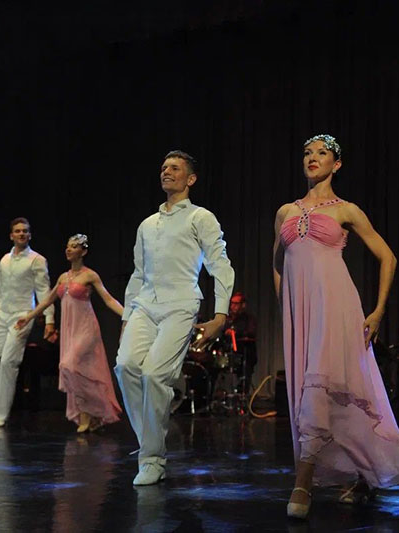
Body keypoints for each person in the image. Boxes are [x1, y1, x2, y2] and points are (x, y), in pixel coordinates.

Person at [273, 134, 399, 519]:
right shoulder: (285, 212)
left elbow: (388, 257)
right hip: (301, 314)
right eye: (307, 152)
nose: (312, 158)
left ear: (336, 164)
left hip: (336, 307)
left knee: (321, 390)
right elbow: (277, 263)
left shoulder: (346, 210)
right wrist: (285, 304)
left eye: (322, 153)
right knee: (324, 394)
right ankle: (363, 475)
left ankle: (303, 482)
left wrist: (378, 311)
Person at [116, 150, 234, 486]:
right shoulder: (147, 225)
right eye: (164, 167)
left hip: (181, 304)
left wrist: (220, 314)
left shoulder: (200, 217)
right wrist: (126, 317)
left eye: (175, 168)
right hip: (145, 304)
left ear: (190, 179)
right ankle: (149, 444)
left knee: (155, 375)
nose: (166, 171)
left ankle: (152, 458)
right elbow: (138, 274)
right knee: (125, 366)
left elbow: (220, 265)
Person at [16, 233, 124, 433]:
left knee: (69, 365)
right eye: (68, 246)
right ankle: (89, 415)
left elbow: (108, 299)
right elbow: (47, 301)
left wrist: (128, 315)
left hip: (86, 328)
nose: (69, 249)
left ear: (83, 251)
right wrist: (29, 317)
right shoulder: (63, 277)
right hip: (69, 329)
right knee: (78, 372)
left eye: (74, 246)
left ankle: (93, 411)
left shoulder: (90, 276)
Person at [0, 217, 56, 428]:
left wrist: (49, 320)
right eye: (18, 231)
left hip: (22, 315)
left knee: (8, 362)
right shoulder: (4, 260)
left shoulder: (36, 260)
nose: (22, 233)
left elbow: (44, 291)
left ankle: (1, 414)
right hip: (1, 314)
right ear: (11, 235)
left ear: (29, 235)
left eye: (25, 231)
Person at [224, 291, 257, 392]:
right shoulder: (227, 319)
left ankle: (242, 396)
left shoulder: (248, 319)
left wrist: (235, 332)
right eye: (232, 303)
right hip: (227, 354)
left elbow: (251, 332)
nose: (232, 306)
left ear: (243, 305)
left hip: (244, 354)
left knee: (243, 379)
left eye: (236, 304)